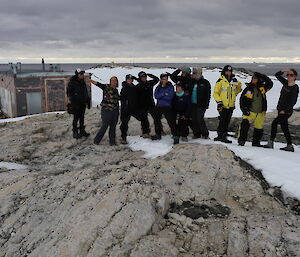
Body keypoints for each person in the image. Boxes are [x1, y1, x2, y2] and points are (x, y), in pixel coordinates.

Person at [264, 69, 299, 152]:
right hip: (280, 109)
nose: (289, 77)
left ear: (295, 77)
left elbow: (293, 101)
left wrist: (285, 111)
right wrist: (284, 70)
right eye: (288, 75)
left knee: (274, 123)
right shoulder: (285, 83)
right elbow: (277, 75)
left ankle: (270, 142)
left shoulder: (295, 88)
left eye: (291, 75)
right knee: (284, 127)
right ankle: (290, 145)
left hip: (287, 111)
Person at [238, 72, 273, 147]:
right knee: (244, 125)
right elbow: (242, 100)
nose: (253, 79)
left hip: (260, 113)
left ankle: (256, 143)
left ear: (259, 80)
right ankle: (241, 141)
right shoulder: (248, 88)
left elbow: (270, 83)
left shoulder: (263, 88)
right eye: (252, 78)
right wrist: (244, 110)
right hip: (249, 112)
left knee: (258, 129)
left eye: (255, 78)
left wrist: (261, 75)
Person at [213, 65, 242, 143]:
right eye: (227, 71)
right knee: (223, 121)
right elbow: (215, 93)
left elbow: (238, 90)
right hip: (222, 105)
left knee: (227, 121)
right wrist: (219, 103)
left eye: (230, 71)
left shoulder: (233, 81)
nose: (228, 73)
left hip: (231, 106)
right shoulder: (221, 81)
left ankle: (223, 134)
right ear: (224, 72)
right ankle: (220, 136)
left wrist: (237, 83)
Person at [120, 74, 150, 144]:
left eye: (131, 79)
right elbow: (122, 98)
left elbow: (138, 96)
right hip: (126, 109)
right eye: (128, 79)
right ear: (126, 80)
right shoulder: (124, 87)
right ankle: (123, 138)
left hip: (134, 108)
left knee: (143, 117)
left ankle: (145, 133)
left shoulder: (134, 87)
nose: (130, 80)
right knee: (124, 123)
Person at [91, 76, 120, 146]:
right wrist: (90, 80)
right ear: (110, 81)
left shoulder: (116, 90)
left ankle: (112, 142)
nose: (114, 82)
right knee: (105, 126)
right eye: (112, 80)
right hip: (106, 110)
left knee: (113, 127)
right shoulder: (106, 87)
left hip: (115, 111)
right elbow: (97, 83)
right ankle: (96, 141)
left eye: (115, 81)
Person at [151, 73, 179, 144]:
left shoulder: (170, 86)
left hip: (167, 106)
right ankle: (158, 134)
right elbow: (156, 96)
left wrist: (162, 96)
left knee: (171, 122)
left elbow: (170, 97)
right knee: (156, 121)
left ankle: (175, 136)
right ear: (161, 79)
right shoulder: (158, 87)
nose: (165, 80)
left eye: (166, 79)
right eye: (163, 79)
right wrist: (164, 94)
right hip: (159, 106)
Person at [187, 67, 211, 139]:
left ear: (199, 74)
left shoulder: (205, 83)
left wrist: (206, 105)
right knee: (193, 119)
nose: (193, 75)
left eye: (195, 73)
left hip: (201, 105)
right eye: (193, 73)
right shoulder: (191, 82)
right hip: (192, 104)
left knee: (200, 119)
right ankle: (196, 134)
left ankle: (205, 134)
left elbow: (207, 95)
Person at [66, 68, 91, 139]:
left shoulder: (82, 82)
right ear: (77, 74)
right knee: (76, 118)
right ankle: (75, 132)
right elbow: (68, 93)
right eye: (81, 74)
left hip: (82, 104)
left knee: (82, 118)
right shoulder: (72, 82)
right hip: (76, 104)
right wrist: (73, 100)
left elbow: (85, 92)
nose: (82, 75)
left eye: (83, 74)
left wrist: (88, 101)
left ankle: (82, 131)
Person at [135, 71, 159, 138]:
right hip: (142, 105)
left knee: (156, 118)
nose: (144, 78)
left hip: (151, 104)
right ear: (140, 78)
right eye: (142, 77)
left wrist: (149, 74)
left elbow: (156, 79)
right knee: (144, 120)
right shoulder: (137, 86)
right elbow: (136, 97)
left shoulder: (150, 83)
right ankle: (145, 132)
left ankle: (159, 131)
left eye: (145, 76)